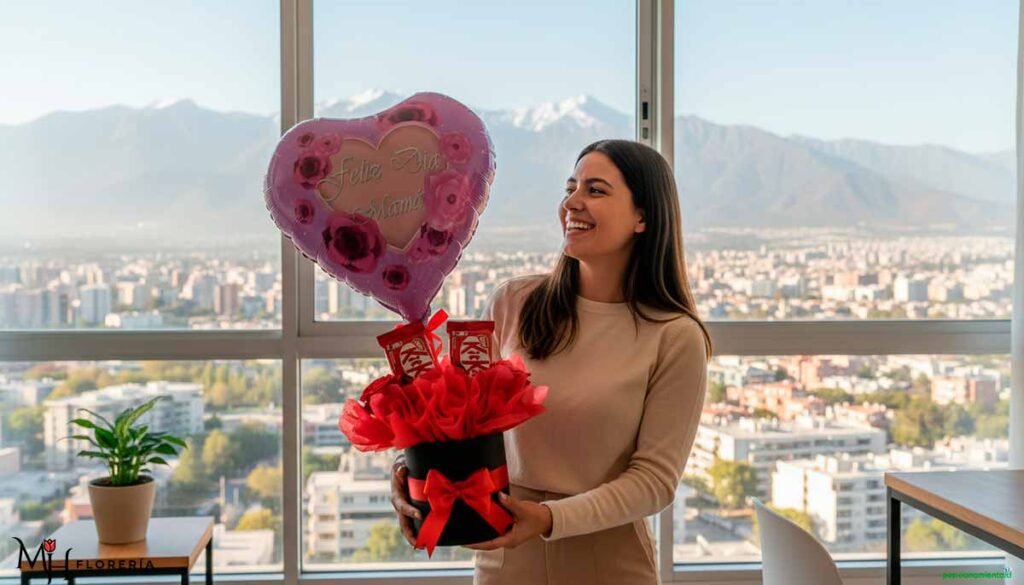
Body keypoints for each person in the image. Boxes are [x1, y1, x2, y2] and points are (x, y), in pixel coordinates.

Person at [390, 139, 712, 584]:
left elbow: (654, 481)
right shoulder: (514, 302)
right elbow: (461, 425)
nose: (572, 203)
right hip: (506, 555)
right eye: (570, 187)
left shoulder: (675, 336)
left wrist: (546, 518)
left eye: (596, 190)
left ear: (643, 217)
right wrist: (413, 477)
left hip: (607, 560)